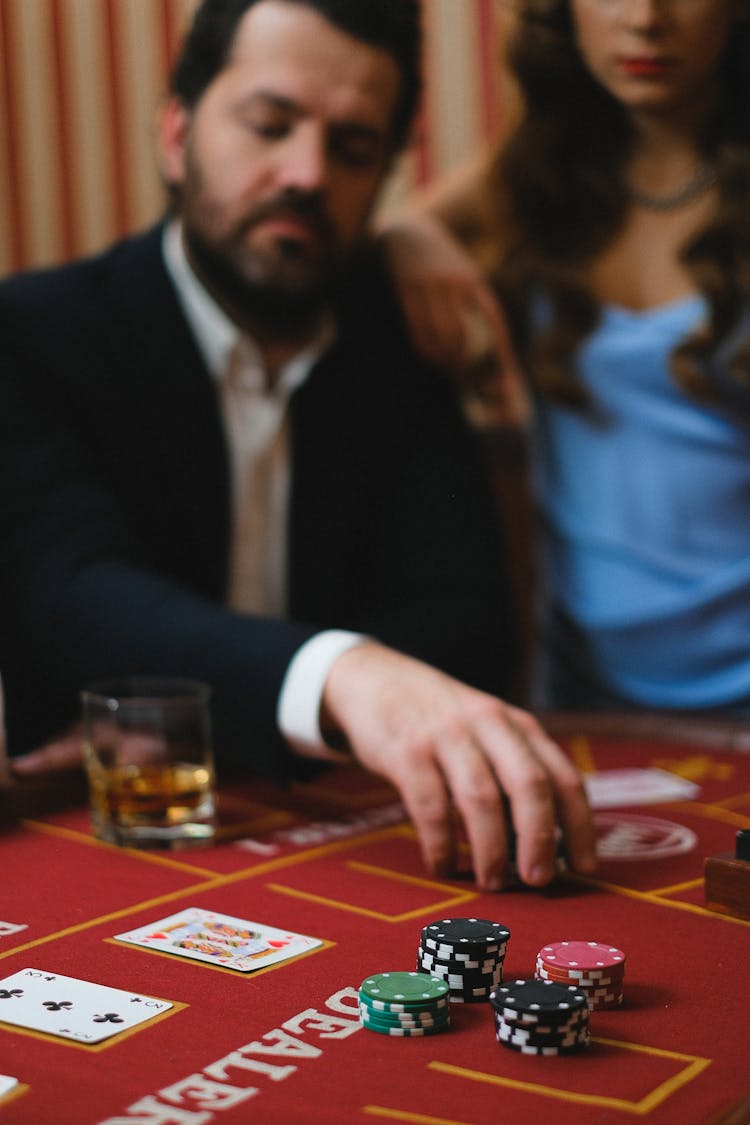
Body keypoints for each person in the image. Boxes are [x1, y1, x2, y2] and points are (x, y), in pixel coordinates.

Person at [0, 0, 595, 890]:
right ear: (177, 135)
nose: (307, 173)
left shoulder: (403, 349)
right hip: (88, 847)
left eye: (353, 149)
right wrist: (341, 676)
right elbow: (74, 599)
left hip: (338, 852)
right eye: (270, 125)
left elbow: (462, 632)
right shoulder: (31, 333)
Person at [379, 0, 750, 716]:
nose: (645, 19)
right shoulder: (534, 173)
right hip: (586, 688)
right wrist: (412, 241)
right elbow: (400, 226)